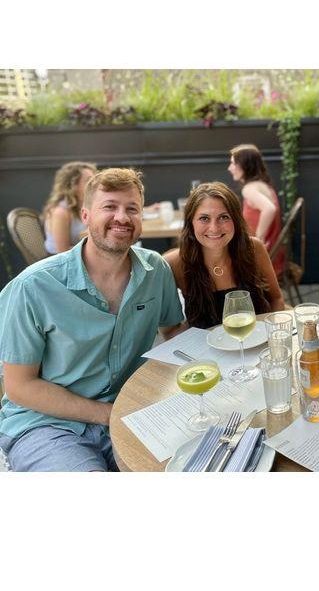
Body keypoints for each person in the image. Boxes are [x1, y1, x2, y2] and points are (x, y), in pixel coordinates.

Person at [0, 168, 184, 471]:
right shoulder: (32, 287)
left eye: (132, 209)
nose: (122, 217)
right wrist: (109, 414)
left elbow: (174, 329)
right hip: (48, 424)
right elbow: (20, 386)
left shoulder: (156, 270)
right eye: (109, 206)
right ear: (85, 216)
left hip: (129, 411)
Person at [163, 181, 285, 329]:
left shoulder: (254, 249)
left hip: (257, 340)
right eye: (204, 218)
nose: (214, 228)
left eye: (223, 217)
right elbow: (170, 328)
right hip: (203, 344)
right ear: (191, 223)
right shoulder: (174, 263)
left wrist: (272, 333)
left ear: (235, 220)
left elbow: (276, 299)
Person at [227, 144, 285, 276]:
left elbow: (269, 209)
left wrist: (259, 238)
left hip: (259, 257)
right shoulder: (263, 185)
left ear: (245, 166)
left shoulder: (249, 189)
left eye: (233, 163)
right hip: (273, 253)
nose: (229, 168)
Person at [43, 161, 97, 254]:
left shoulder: (87, 205)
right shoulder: (60, 212)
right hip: (58, 259)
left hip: (79, 255)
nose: (95, 184)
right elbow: (62, 251)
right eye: (89, 180)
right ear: (73, 186)